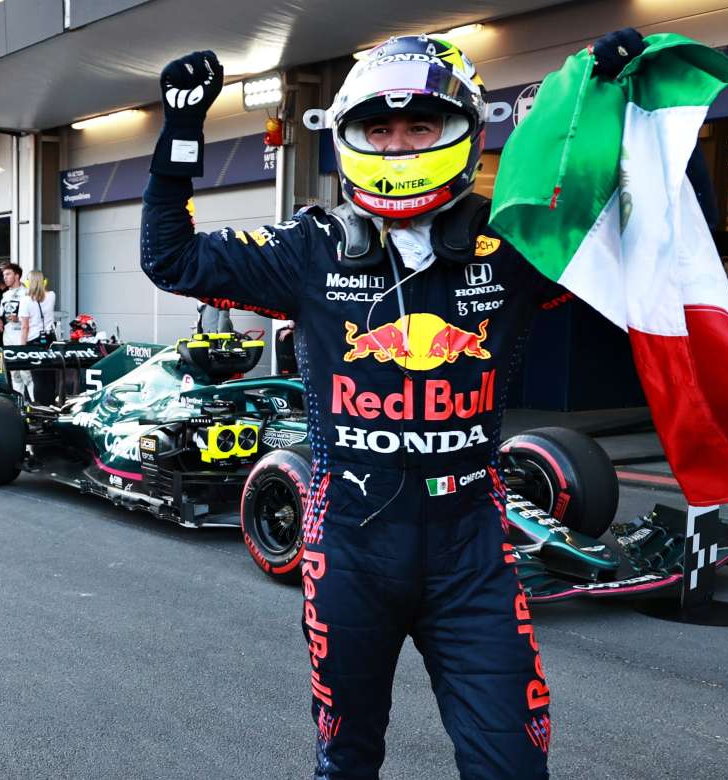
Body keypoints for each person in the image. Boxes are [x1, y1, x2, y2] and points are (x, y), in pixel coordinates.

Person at [140, 39, 564, 779]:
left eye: (420, 128)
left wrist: (625, 107)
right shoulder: (312, 247)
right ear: (348, 139)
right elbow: (170, 258)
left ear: (464, 130)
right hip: (351, 546)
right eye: (379, 131)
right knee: (347, 758)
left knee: (513, 768)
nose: (398, 146)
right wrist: (178, 132)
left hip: (473, 549)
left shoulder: (514, 248)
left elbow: (641, 246)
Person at [0, 262, 33, 400]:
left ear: (17, 276)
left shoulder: (27, 292)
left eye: (8, 274)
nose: (5, 277)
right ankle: (19, 404)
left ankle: (33, 404)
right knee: (14, 372)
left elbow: (34, 318)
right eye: (4, 275)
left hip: (22, 336)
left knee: (26, 373)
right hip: (8, 336)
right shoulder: (6, 294)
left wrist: (20, 318)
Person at [20, 270, 57, 403]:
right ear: (44, 281)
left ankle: (41, 407)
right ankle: (51, 404)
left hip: (33, 341)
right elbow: (43, 293)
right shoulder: (52, 295)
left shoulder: (25, 301)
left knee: (38, 378)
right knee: (50, 376)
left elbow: (25, 327)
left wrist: (22, 348)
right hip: (50, 340)